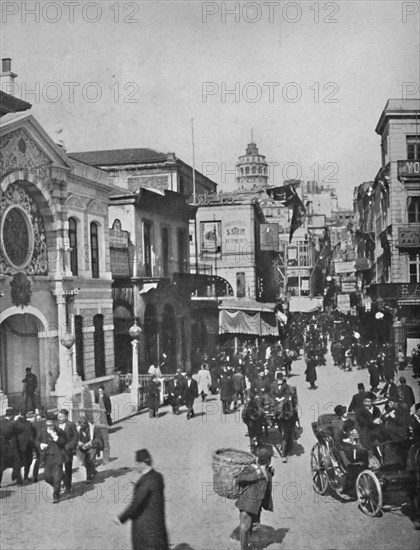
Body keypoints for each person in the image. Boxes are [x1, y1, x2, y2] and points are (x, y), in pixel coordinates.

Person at [115, 449, 169, 550]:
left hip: (146, 530)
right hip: (157, 526)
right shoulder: (157, 476)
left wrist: (121, 518)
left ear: (142, 463)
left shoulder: (146, 481)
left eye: (137, 463)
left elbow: (137, 502)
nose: (135, 466)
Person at [235, 448, 274, 550]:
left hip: (256, 506)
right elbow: (240, 478)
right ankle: (244, 547)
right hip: (247, 504)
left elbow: (265, 485)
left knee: (255, 527)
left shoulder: (266, 471)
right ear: (268, 460)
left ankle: (252, 546)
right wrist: (256, 475)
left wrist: (270, 474)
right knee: (245, 526)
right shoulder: (252, 468)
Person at [37, 414, 67, 503]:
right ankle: (61, 480)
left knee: (57, 478)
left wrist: (56, 438)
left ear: (55, 423)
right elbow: (36, 441)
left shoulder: (60, 431)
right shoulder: (42, 431)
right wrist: (40, 445)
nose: (49, 427)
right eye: (48, 425)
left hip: (58, 457)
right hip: (47, 458)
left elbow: (63, 442)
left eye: (51, 425)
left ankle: (56, 496)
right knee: (47, 477)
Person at [76, 415, 104, 481]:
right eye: (80, 426)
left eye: (83, 426)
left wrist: (90, 443)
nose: (82, 428)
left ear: (86, 423)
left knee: (89, 460)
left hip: (93, 446)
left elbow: (98, 439)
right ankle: (93, 471)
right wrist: (78, 442)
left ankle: (89, 477)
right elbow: (74, 438)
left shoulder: (94, 428)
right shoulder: (78, 429)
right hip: (82, 448)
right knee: (84, 463)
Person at [57, 409, 79, 493]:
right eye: (59, 416)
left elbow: (75, 437)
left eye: (61, 416)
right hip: (58, 451)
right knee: (58, 468)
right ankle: (61, 482)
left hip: (67, 451)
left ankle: (68, 487)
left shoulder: (71, 425)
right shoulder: (56, 425)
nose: (60, 418)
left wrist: (70, 446)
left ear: (66, 417)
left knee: (68, 469)